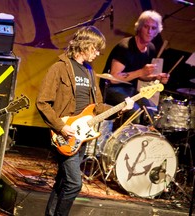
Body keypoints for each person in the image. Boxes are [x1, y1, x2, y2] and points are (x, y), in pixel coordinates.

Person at [36, 26, 133, 216]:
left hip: (81, 135)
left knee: (63, 181)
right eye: (95, 48)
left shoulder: (89, 71)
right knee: (74, 183)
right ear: (84, 45)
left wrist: (121, 107)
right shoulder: (60, 67)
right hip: (64, 132)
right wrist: (61, 126)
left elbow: (96, 107)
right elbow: (42, 102)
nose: (98, 53)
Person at [102, 10, 170, 126]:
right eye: (146, 27)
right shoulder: (125, 46)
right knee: (135, 112)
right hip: (111, 89)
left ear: (157, 32)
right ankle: (123, 142)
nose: (149, 32)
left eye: (153, 28)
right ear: (139, 27)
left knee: (151, 110)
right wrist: (141, 71)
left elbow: (141, 75)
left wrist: (156, 77)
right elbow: (114, 78)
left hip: (130, 90)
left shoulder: (151, 48)